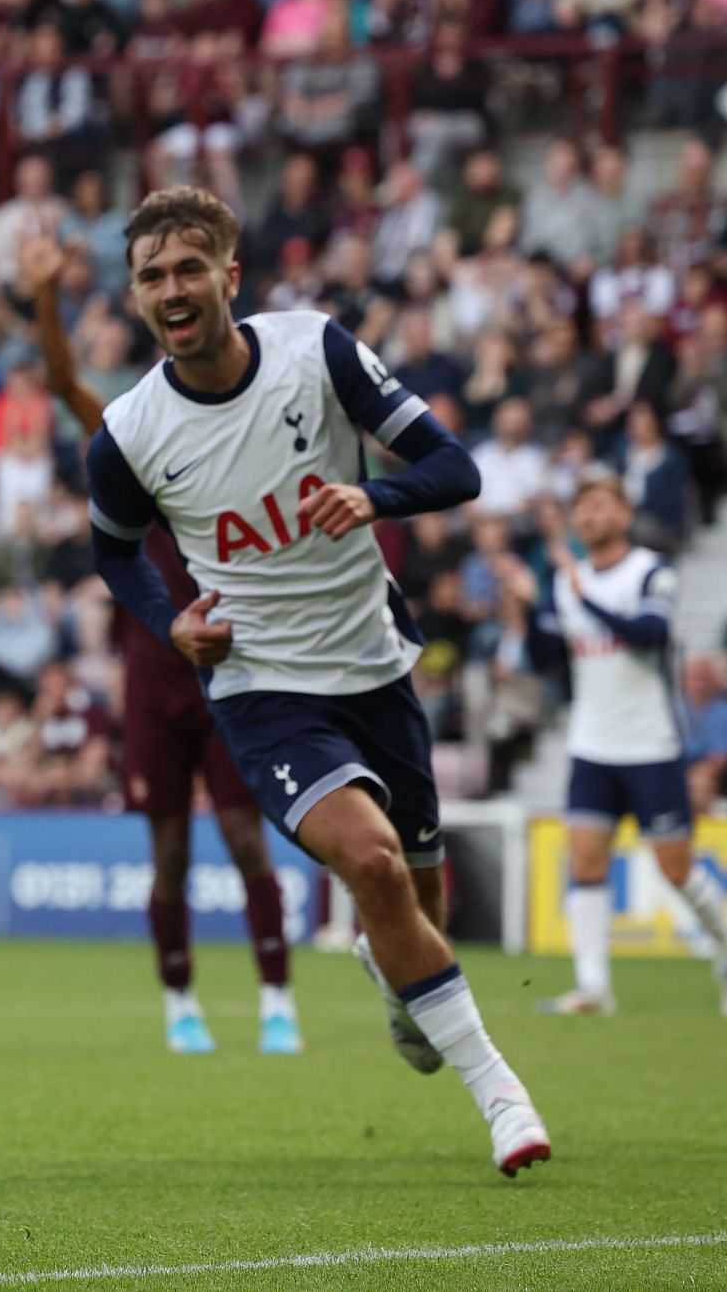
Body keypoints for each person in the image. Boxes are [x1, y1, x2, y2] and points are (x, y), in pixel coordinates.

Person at [86, 186, 550, 1177]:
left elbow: (455, 466)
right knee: (374, 866)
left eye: (188, 270)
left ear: (229, 276)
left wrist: (372, 495)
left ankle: (398, 973)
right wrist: (171, 622)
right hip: (262, 688)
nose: (171, 290)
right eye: (151, 277)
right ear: (135, 296)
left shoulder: (316, 350)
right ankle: (502, 1095)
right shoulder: (129, 432)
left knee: (414, 892)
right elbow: (112, 550)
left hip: (376, 666)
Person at [28, 236, 299, 1056]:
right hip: (154, 670)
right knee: (171, 848)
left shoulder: (239, 439)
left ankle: (277, 998)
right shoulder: (133, 440)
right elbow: (68, 384)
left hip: (232, 663)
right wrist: (44, 298)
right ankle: (181, 1000)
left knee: (250, 837)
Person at [507, 476, 727, 1016]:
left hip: (650, 741)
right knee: (585, 862)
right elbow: (546, 659)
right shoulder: (567, 581)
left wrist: (585, 597)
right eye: (580, 508)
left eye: (599, 506)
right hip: (592, 742)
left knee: (676, 868)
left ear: (624, 515)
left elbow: (650, 635)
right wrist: (529, 607)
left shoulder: (651, 572)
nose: (587, 517)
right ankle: (593, 987)